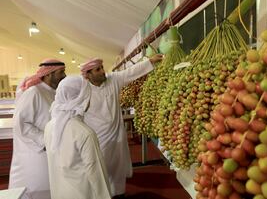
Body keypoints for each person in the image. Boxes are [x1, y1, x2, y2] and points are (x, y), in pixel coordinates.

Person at [80, 54, 163, 198]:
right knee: (100, 168)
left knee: (118, 166)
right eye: (97, 70)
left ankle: (119, 194)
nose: (102, 71)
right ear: (88, 75)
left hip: (116, 133)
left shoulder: (113, 80)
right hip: (97, 137)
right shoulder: (82, 90)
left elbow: (131, 72)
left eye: (102, 68)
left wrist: (150, 61)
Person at [44, 76, 112, 199]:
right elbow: (96, 174)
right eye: (87, 95)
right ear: (80, 98)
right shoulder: (84, 133)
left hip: (58, 193)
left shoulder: (49, 127)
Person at [9, 59, 66, 199]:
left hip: (52, 150)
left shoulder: (54, 92)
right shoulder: (33, 92)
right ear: (48, 74)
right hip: (36, 153)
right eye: (61, 72)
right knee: (36, 189)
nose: (64, 76)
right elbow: (21, 124)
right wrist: (45, 140)